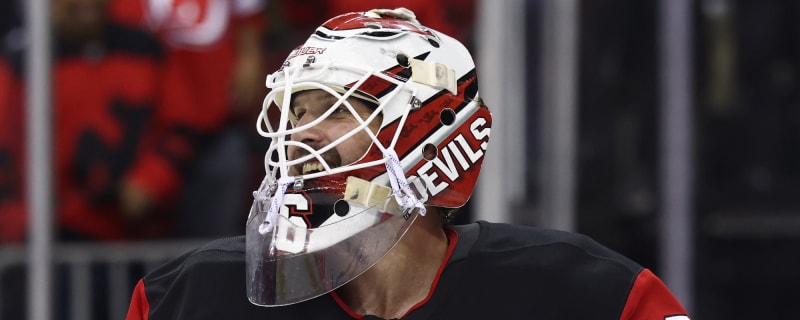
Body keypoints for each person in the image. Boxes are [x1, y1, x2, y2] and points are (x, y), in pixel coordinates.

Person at [126, 8, 691, 319]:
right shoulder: (189, 297)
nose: (299, 136)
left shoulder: (583, 292)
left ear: (427, 132)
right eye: (295, 112)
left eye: (335, 111)